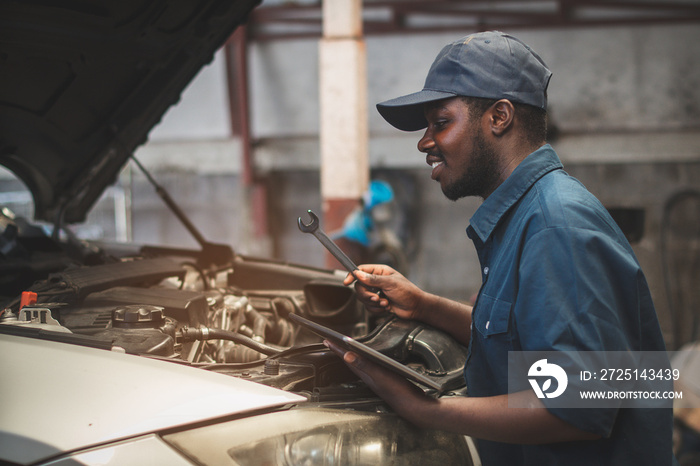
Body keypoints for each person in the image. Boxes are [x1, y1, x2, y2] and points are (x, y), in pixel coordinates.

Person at [324, 31, 677, 465]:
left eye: (440, 122)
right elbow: (524, 346)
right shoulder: (528, 216)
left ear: (499, 117)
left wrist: (423, 409)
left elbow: (579, 405)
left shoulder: (555, 225)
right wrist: (423, 306)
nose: (424, 142)